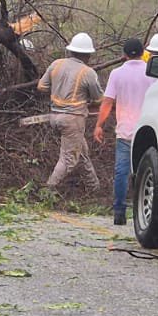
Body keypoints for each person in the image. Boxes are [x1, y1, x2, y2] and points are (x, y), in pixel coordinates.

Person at [37, 32, 103, 194]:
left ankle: (94, 188)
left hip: (55, 117)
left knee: (81, 152)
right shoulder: (87, 72)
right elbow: (99, 99)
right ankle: (47, 191)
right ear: (87, 55)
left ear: (71, 51)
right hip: (73, 121)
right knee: (69, 160)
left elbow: (41, 87)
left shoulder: (56, 64)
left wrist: (59, 92)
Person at [94, 37, 149, 225]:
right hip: (147, 133)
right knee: (146, 173)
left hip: (125, 131)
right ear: (143, 52)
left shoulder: (117, 74)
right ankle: (144, 212)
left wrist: (99, 125)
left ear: (123, 55)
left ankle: (119, 212)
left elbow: (108, 101)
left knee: (121, 172)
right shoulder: (152, 72)